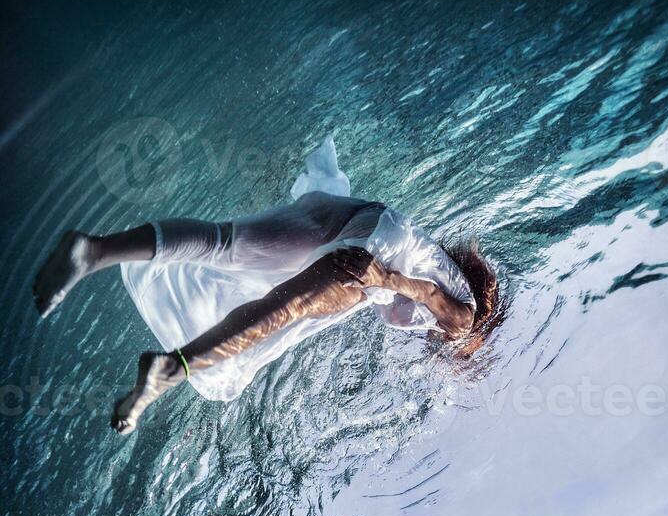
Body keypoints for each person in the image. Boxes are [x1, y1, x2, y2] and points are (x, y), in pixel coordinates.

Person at [32, 138, 498, 434]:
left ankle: (92, 252)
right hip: (377, 255)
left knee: (224, 243)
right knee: (283, 309)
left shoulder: (438, 256)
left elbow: (427, 287)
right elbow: (438, 302)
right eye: (469, 353)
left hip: (356, 213)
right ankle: (172, 370)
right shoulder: (467, 319)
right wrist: (383, 278)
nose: (458, 351)